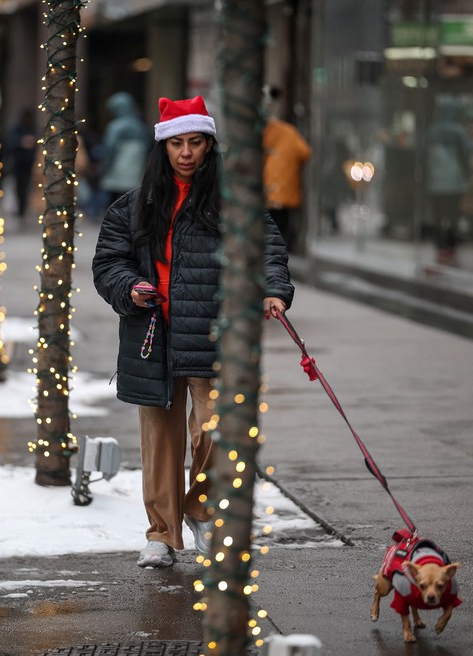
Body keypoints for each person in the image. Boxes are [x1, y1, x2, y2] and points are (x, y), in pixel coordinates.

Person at [92, 96, 295, 568]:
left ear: (209, 145)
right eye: (177, 143)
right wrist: (130, 287)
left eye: (196, 142)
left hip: (212, 333)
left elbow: (268, 248)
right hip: (152, 336)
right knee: (159, 444)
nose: (186, 153)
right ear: (163, 148)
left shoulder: (233, 201)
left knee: (215, 431)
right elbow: (108, 263)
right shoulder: (134, 205)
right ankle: (161, 534)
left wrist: (273, 289)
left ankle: (201, 510)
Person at [262, 86, 312, 252]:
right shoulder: (289, 131)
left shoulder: (263, 130)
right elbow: (304, 152)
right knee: (281, 235)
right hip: (285, 195)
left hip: (266, 193)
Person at [425, 98, 472, 265]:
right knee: (453, 215)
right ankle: (451, 245)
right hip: (454, 182)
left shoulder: (432, 131)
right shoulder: (458, 132)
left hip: (435, 182)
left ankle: (440, 246)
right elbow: (466, 155)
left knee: (438, 216)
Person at [97, 92, 152, 209]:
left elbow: (109, 148)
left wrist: (105, 166)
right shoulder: (141, 125)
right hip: (136, 173)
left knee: (115, 203)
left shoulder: (115, 126)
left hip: (117, 172)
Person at [9, 108, 38, 221]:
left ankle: (25, 208)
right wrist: (22, 142)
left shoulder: (33, 128)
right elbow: (10, 141)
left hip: (31, 162)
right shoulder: (17, 128)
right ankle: (21, 209)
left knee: (28, 187)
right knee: (20, 187)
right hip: (19, 162)